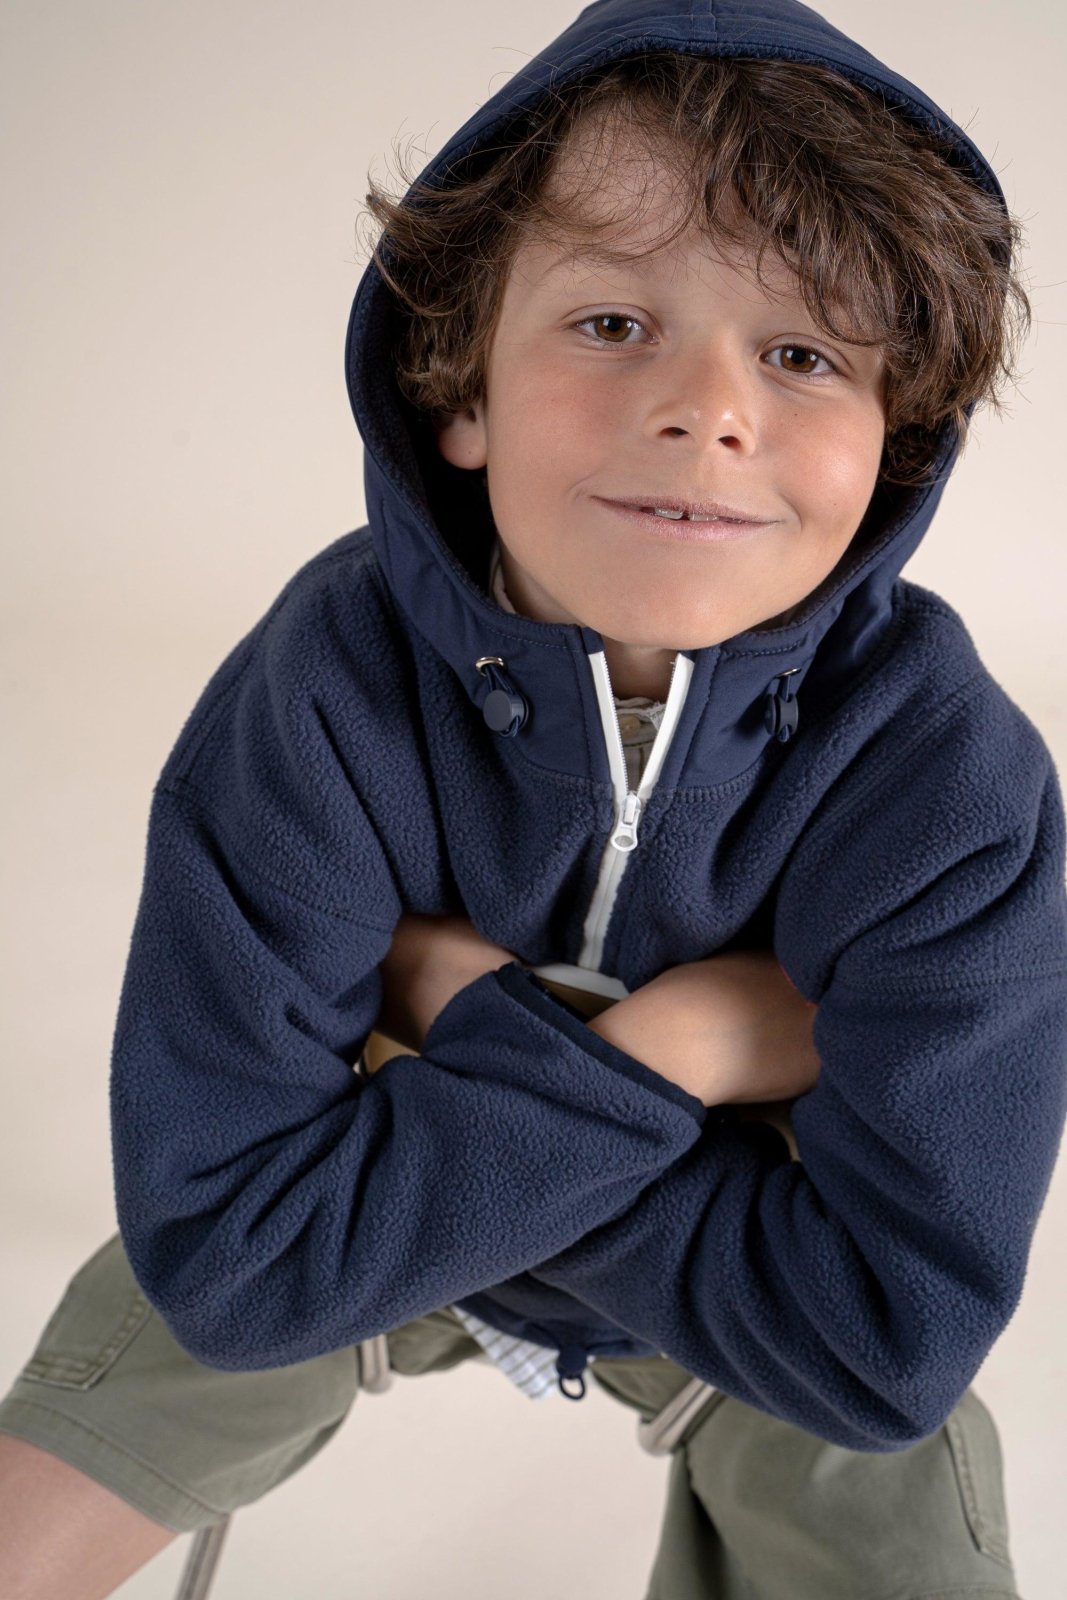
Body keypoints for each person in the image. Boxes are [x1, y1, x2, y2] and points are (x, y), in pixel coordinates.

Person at [1, 0, 1064, 1595]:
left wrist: (462, 1017)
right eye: (614, 323)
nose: (709, 409)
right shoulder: (321, 685)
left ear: (892, 446)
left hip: (616, 1264)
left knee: (892, 1520)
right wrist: (698, 1051)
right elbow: (231, 1258)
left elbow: (880, 1342)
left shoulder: (951, 779)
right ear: (461, 386)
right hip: (484, 1220)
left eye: (801, 355)